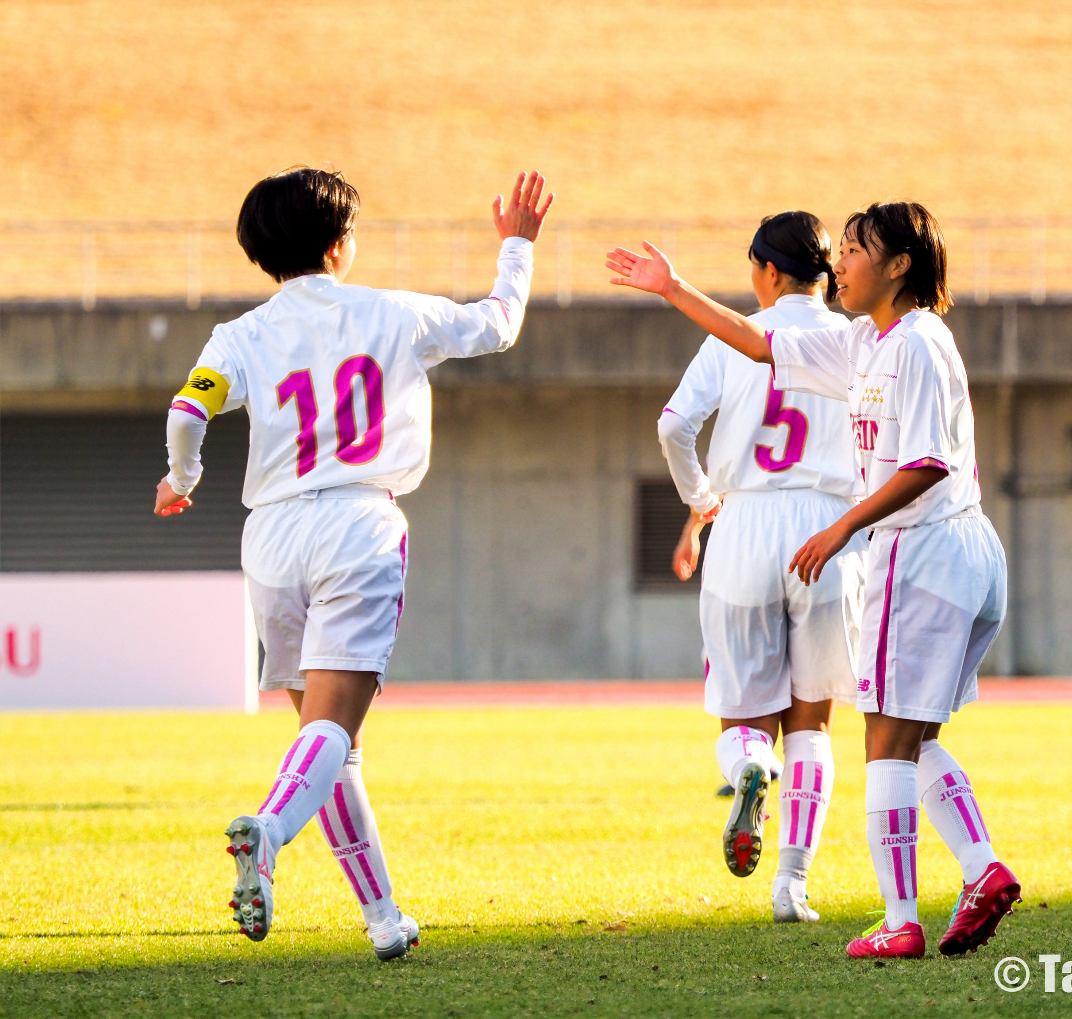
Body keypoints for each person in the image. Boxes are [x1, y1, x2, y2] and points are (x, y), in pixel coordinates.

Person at [156, 166, 553, 959]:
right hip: (358, 524)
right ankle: (267, 831)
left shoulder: (239, 335)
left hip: (270, 534)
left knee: (325, 738)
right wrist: (516, 247)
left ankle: (382, 916)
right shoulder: (394, 313)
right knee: (334, 727)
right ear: (340, 244)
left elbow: (187, 408)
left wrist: (183, 477)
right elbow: (499, 322)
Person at [607, 201, 1019, 959]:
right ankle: (973, 868)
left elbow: (926, 464)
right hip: (919, 544)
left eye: (858, 248)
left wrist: (838, 527)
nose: (842, 263)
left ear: (899, 265)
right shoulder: (860, 339)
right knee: (899, 733)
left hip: (912, 545)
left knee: (882, 743)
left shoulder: (917, 343)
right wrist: (673, 288)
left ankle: (901, 918)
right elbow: (754, 341)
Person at [658, 212, 867, 923]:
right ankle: (792, 886)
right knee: (813, 723)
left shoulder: (733, 335)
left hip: (744, 523)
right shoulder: (855, 337)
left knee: (741, 717)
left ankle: (750, 762)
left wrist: (700, 500)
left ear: (769, 273)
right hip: (830, 530)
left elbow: (673, 425)